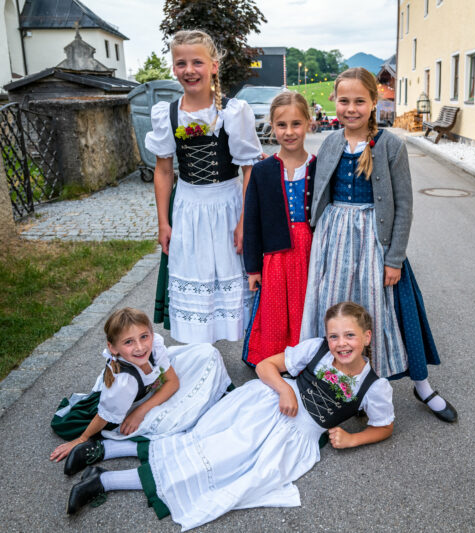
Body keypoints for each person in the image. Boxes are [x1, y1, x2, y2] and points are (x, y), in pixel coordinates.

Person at [65, 302, 394, 529]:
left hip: (294, 435)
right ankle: (104, 450)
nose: (340, 343)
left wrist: (353, 438)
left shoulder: (375, 387)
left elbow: (385, 426)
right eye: (334, 336)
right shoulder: (316, 348)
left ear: (366, 337)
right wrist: (284, 389)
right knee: (201, 440)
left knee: (226, 467)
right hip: (266, 404)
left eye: (350, 335)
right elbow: (266, 366)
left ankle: (103, 480)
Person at [301, 67, 457, 423]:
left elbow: (403, 205)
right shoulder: (330, 142)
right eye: (344, 101)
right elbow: (317, 192)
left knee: (388, 313)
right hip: (334, 240)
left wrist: (395, 258)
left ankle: (421, 386)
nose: (350, 108)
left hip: (374, 240)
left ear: (374, 102)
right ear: (335, 102)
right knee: (334, 310)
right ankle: (338, 384)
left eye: (359, 101)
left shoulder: (390, 145)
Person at [146, 29, 262, 344]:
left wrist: (244, 221)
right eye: (181, 63)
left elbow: (249, 168)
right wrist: (163, 222)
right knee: (194, 271)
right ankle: (199, 351)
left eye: (197, 62)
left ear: (213, 66)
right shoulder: (168, 114)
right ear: (173, 68)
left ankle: (242, 348)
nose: (189, 70)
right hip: (188, 206)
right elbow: (163, 170)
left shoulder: (232, 112)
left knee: (228, 272)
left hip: (227, 204)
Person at [49, 307, 230, 474]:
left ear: (151, 333)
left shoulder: (154, 346)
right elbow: (103, 417)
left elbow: (173, 382)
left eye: (144, 336)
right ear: (113, 348)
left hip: (142, 399)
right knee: (173, 421)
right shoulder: (123, 383)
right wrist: (82, 439)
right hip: (121, 409)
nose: (140, 347)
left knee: (207, 353)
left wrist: (141, 411)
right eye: (129, 342)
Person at [242, 92, 316, 366]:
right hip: (276, 256)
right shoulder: (262, 170)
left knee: (305, 307)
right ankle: (274, 361)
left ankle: (305, 358)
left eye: (296, 124)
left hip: (311, 254)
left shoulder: (319, 166)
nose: (289, 132)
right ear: (272, 126)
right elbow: (251, 221)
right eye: (282, 125)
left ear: (308, 123)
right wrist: (253, 268)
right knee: (275, 309)